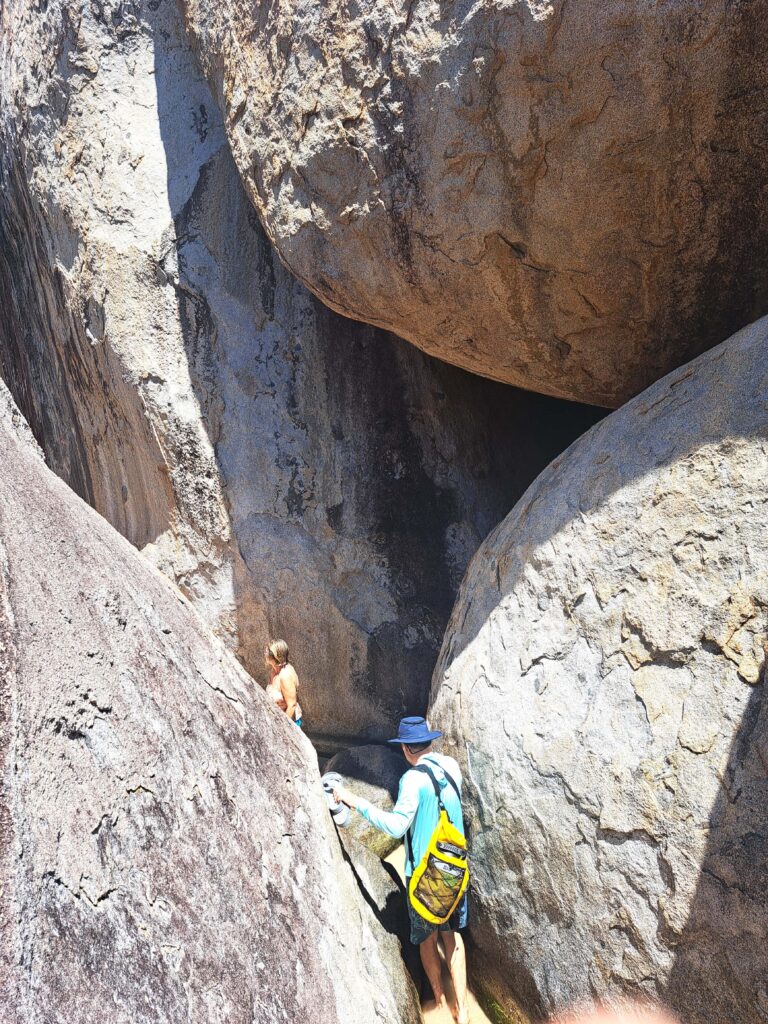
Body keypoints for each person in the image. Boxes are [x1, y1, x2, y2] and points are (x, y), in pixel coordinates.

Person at [334, 716, 468, 1024]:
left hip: (423, 877)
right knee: (452, 937)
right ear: (429, 741)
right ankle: (462, 1012)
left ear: (406, 748)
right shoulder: (452, 767)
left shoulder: (412, 780)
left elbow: (396, 827)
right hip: (455, 871)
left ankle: (438, 999)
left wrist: (357, 803)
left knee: (425, 939)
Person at [264, 639, 303, 728]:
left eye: (267, 650)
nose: (265, 653)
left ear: (275, 655)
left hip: (288, 723)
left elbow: (292, 705)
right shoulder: (274, 671)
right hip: (276, 719)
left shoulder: (285, 676)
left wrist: (282, 729)